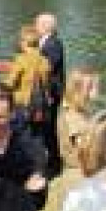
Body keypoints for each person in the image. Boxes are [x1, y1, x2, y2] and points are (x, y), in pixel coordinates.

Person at [4, 25, 52, 139]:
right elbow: (47, 84)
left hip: (23, 105)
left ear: (24, 42)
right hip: (40, 107)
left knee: (20, 137)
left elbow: (10, 83)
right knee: (37, 137)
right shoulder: (45, 61)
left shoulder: (21, 59)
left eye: (20, 40)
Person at [37, 12, 66, 173]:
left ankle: (54, 165)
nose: (35, 27)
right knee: (46, 129)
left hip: (52, 93)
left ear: (45, 26)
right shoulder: (45, 43)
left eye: (37, 24)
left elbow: (49, 67)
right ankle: (51, 162)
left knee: (49, 128)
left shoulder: (53, 44)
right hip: (48, 93)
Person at [58, 68, 99, 171]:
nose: (98, 90)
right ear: (81, 89)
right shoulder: (72, 115)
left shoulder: (81, 112)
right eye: (94, 87)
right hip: (80, 169)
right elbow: (83, 148)